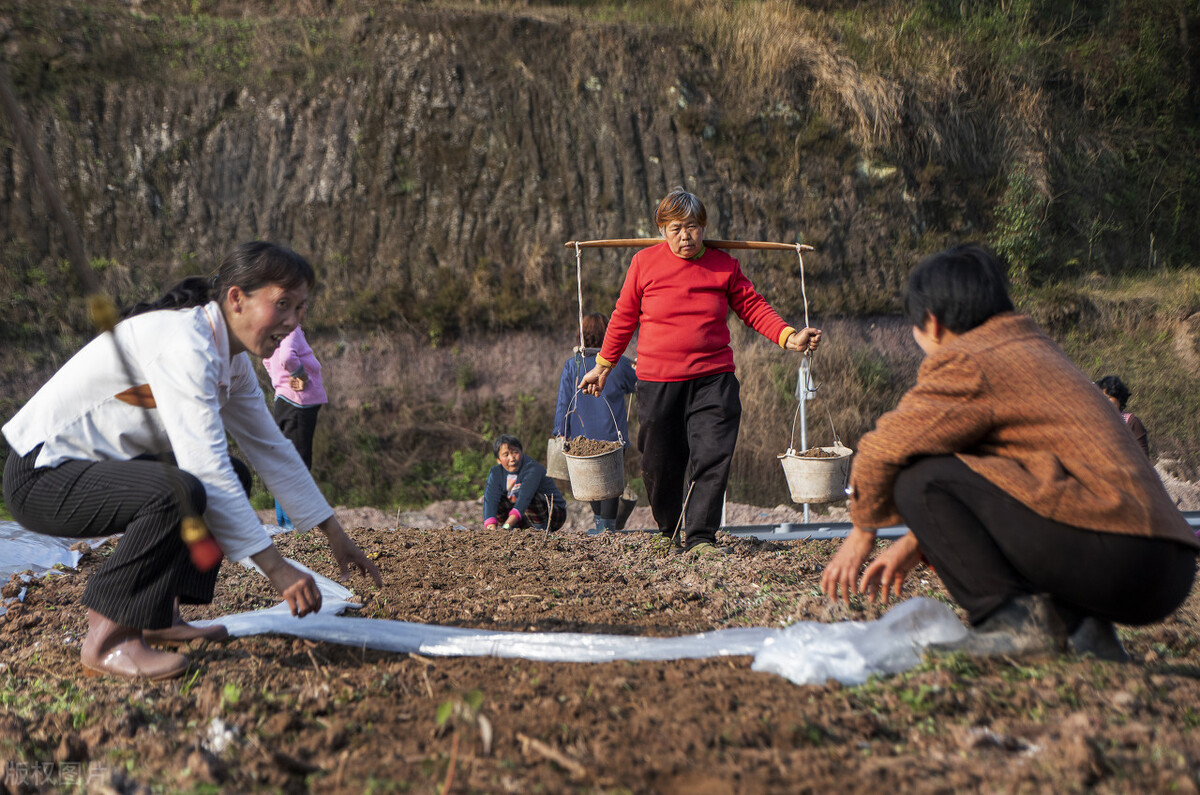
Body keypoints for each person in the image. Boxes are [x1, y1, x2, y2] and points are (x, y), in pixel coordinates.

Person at [2, 241, 383, 681]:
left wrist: (334, 532)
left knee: (232, 476)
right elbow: (204, 464)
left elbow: (270, 447)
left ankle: (156, 614)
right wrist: (277, 569)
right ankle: (107, 639)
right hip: (42, 475)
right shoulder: (186, 343)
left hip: (86, 471)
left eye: (300, 308)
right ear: (236, 298)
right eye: (282, 304)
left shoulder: (230, 359)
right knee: (181, 490)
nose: (293, 322)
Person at [820, 244, 1198, 661]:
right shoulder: (1033, 349)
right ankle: (1084, 630)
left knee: (918, 476)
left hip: (1119, 556)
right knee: (947, 471)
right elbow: (1011, 477)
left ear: (933, 322)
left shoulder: (972, 359)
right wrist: (917, 543)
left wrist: (862, 530)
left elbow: (884, 448)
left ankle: (1013, 624)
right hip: (1166, 566)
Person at [580, 187, 822, 556]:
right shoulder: (644, 264)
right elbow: (623, 318)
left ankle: (701, 538)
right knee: (659, 459)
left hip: (714, 379)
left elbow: (753, 307)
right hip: (658, 380)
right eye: (676, 228)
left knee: (712, 455)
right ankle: (668, 530)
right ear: (662, 229)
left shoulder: (724, 265)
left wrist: (788, 337)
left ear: (703, 227)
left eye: (692, 227)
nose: (685, 236)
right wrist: (603, 366)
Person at [553, 312, 637, 532]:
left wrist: (560, 431)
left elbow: (564, 402)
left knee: (590, 482)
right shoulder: (618, 365)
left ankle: (602, 525)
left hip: (582, 436)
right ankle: (607, 528)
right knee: (610, 482)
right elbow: (636, 384)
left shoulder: (573, 365)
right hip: (612, 433)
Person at [263, 324, 328, 529]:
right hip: (298, 403)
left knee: (287, 463)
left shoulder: (273, 330)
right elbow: (287, 357)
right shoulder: (291, 329)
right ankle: (292, 524)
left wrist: (279, 381)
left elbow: (267, 359)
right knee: (297, 465)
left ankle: (286, 523)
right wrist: (299, 374)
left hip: (284, 401)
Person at [483, 434, 566, 532]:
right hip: (522, 516)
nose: (512, 458)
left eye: (515, 452)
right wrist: (491, 531)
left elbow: (525, 498)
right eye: (506, 455)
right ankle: (509, 531)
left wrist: (506, 527)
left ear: (521, 452)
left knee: (531, 497)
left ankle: (541, 532)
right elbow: (490, 500)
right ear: (498, 460)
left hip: (552, 514)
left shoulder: (532, 468)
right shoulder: (496, 473)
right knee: (498, 500)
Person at [1095, 375, 1150, 458]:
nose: (1104, 401)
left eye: (1108, 397)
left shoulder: (1131, 422)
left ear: (1119, 398)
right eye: (1101, 397)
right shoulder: (1094, 421)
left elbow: (1144, 459)